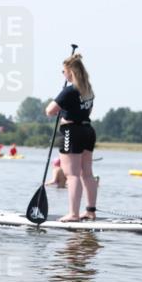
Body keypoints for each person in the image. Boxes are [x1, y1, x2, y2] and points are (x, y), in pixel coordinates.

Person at [46, 53, 97, 221]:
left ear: (70, 72)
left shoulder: (69, 90)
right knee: (87, 174)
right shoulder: (88, 89)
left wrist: (63, 104)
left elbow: (49, 111)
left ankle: (73, 214)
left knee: (72, 174)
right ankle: (90, 211)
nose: (63, 74)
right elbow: (88, 111)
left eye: (63, 71)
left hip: (71, 132)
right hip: (88, 130)